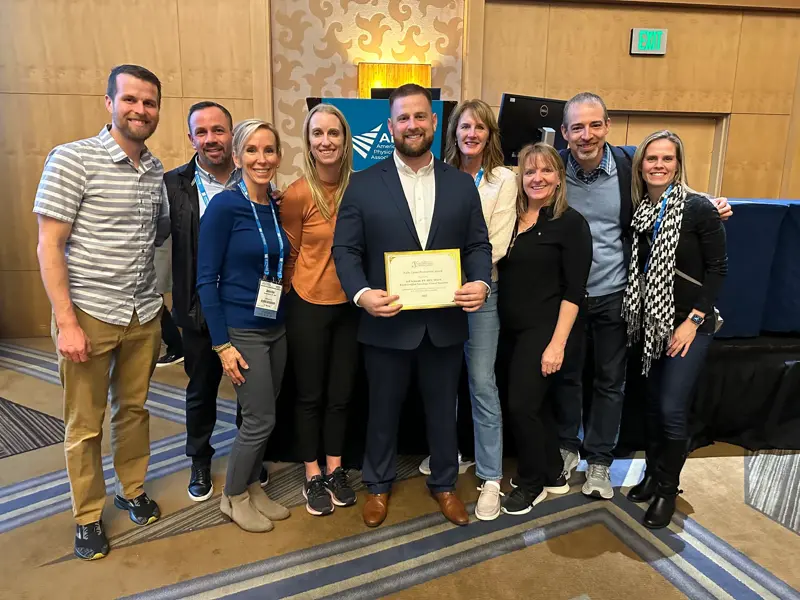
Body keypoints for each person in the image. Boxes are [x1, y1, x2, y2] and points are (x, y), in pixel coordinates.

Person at [556, 92, 733, 500]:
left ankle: (600, 461)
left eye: (595, 125)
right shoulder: (552, 169)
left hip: (617, 294)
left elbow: (668, 181)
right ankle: (566, 449)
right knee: (566, 377)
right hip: (566, 296)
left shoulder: (625, 163)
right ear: (564, 133)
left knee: (609, 382)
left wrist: (711, 201)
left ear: (607, 126)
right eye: (577, 127)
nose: (587, 135)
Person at [332, 83, 492, 528]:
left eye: (420, 116)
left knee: (444, 411)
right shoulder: (363, 185)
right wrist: (362, 295)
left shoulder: (461, 184)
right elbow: (345, 251)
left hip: (444, 323)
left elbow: (478, 243)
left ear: (434, 122)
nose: (412, 125)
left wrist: (480, 281)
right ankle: (377, 486)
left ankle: (444, 484)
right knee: (382, 409)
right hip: (387, 322)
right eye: (403, 118)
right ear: (390, 127)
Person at [34, 64, 169, 560]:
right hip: (88, 312)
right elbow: (49, 246)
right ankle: (87, 515)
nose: (140, 110)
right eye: (130, 99)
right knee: (84, 424)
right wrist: (66, 321)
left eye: (150, 103)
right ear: (108, 102)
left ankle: (131, 489)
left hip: (142, 313)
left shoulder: (153, 168)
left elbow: (153, 242)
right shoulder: (72, 159)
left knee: (133, 412)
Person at [622, 130, 727, 528]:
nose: (659, 165)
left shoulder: (699, 209)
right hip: (650, 322)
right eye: (652, 159)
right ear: (641, 165)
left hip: (690, 325)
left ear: (678, 164)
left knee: (671, 410)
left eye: (668, 159)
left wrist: (692, 322)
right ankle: (651, 473)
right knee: (650, 406)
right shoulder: (639, 210)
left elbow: (718, 270)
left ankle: (668, 490)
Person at [418, 99, 516, 521]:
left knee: (480, 383)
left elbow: (494, 238)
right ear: (452, 132)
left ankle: (491, 476)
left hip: (480, 292)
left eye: (480, 127)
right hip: (436, 293)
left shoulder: (505, 180)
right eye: (465, 127)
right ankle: (449, 455)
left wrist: (454, 271)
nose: (472, 134)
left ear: (490, 134)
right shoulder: (437, 176)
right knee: (442, 382)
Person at [196, 119, 291, 532]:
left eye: (269, 150)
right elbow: (206, 279)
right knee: (258, 419)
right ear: (237, 157)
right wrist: (222, 345)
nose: (261, 158)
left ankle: (252, 486)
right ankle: (232, 496)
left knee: (266, 414)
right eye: (251, 150)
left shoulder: (274, 205)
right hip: (242, 330)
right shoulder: (223, 206)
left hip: (276, 326)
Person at [498, 143, 592, 515]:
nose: (537, 178)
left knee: (522, 406)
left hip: (546, 329)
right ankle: (553, 471)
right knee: (536, 406)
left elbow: (575, 292)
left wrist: (557, 345)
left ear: (559, 178)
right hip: (509, 329)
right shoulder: (510, 218)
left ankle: (531, 482)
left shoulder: (571, 223)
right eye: (529, 171)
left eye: (546, 171)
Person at [281, 103, 360, 517]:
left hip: (351, 306)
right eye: (318, 134)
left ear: (346, 141)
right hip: (308, 304)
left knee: (341, 395)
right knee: (310, 395)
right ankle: (312, 472)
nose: (326, 141)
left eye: (334, 133)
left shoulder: (359, 188)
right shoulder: (297, 194)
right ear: (308, 142)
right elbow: (289, 255)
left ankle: (335, 467)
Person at [165, 101, 240, 502]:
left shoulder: (254, 181)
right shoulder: (173, 186)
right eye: (202, 132)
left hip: (245, 307)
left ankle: (249, 455)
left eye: (219, 130)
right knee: (202, 389)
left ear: (232, 134)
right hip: (196, 309)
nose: (211, 139)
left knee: (251, 388)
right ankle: (200, 458)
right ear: (190, 137)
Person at [154, 239, 184, 367]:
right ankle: (176, 346)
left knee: (155, 300)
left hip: (158, 248)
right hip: (153, 249)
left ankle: (176, 346)